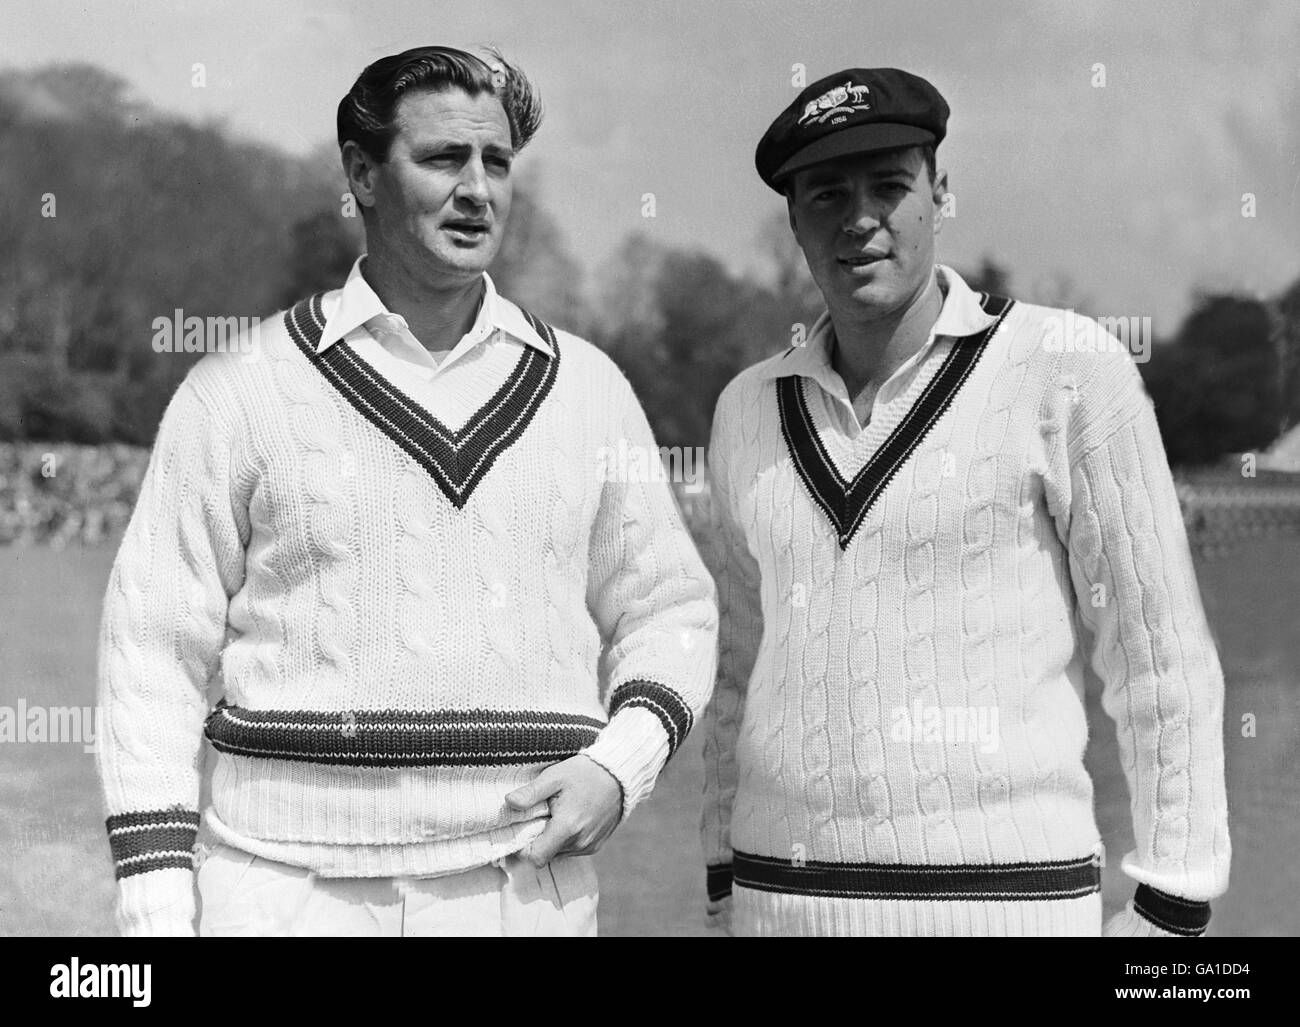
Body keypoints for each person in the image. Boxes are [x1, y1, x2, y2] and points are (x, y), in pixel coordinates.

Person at [96, 45, 717, 937]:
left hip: (519, 889)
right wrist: (156, 905)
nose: (477, 190)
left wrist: (622, 764)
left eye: (496, 162)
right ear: (363, 174)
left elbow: (672, 608)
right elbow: (153, 649)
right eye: (441, 159)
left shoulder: (588, 390)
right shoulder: (238, 387)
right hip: (281, 886)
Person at [700, 67, 1230, 936]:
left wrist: (1172, 901)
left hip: (1008, 909)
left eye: (890, 186)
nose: (860, 217)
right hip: (779, 905)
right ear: (793, 222)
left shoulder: (1066, 368)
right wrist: (722, 874)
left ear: (941, 193)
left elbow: (1157, 651)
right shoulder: (745, 409)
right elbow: (735, 669)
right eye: (827, 194)